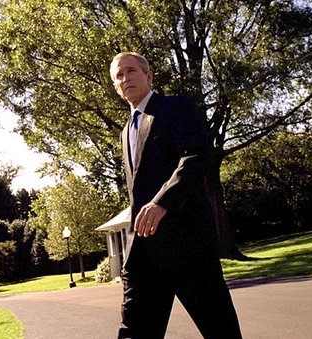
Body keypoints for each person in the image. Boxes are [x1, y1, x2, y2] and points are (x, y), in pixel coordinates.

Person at [110, 52, 243, 339]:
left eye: (131, 71)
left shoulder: (175, 107)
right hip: (143, 252)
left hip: (188, 246)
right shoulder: (125, 132)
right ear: (116, 87)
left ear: (148, 76)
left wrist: (163, 202)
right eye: (119, 76)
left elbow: (196, 156)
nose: (125, 78)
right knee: (135, 331)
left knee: (221, 330)